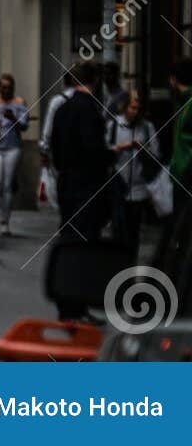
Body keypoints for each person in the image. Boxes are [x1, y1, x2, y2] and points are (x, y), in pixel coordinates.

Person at [48, 60, 116, 318]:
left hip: (67, 181)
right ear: (94, 81)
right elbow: (93, 150)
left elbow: (55, 146)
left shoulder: (63, 108)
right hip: (87, 184)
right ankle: (77, 303)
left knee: (69, 237)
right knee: (85, 242)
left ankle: (67, 303)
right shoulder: (89, 109)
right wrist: (110, 156)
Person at [107, 90, 159, 261]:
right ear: (124, 107)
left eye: (137, 108)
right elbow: (105, 152)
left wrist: (143, 149)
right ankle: (117, 263)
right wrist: (121, 147)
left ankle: (130, 263)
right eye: (132, 107)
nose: (135, 112)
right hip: (118, 186)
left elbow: (156, 155)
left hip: (139, 188)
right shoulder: (114, 126)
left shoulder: (146, 126)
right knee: (118, 229)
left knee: (134, 231)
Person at [0, 73, 28, 235]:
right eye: (3, 87)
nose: (6, 90)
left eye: (9, 87)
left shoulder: (19, 103)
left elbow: (24, 125)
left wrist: (13, 118)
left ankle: (4, 220)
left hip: (13, 147)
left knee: (7, 184)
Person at [168, 61, 192, 215]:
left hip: (186, 175)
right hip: (181, 173)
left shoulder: (188, 103)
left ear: (174, 79)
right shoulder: (182, 102)